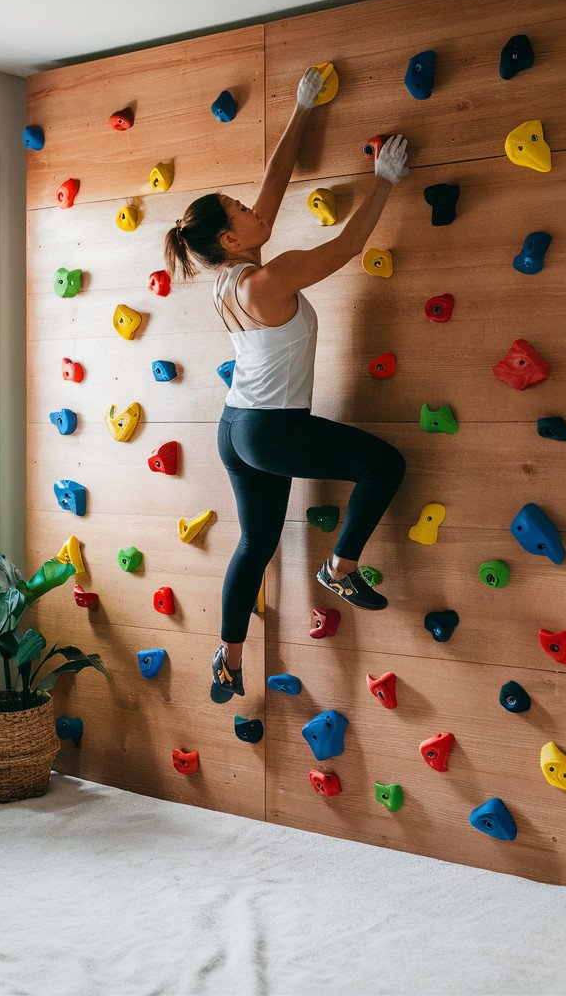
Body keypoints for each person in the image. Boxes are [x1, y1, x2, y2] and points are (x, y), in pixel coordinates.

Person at [163, 67, 409, 703]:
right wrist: (383, 179)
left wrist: (303, 108)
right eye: (242, 212)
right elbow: (351, 242)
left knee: (255, 543)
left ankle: (228, 651)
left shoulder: (228, 278)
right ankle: (341, 566)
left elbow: (273, 186)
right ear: (229, 237)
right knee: (384, 463)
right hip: (272, 430)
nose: (254, 210)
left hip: (235, 429)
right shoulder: (275, 278)